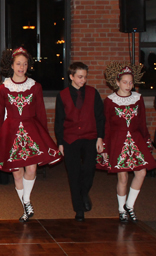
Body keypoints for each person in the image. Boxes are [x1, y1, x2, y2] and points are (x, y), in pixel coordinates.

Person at [0, 47, 61, 222]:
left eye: (24, 64)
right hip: (11, 131)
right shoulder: (3, 88)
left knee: (31, 168)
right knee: (17, 173)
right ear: (12, 65)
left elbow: (41, 113)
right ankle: (26, 206)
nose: (21, 67)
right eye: (18, 64)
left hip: (32, 130)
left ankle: (27, 201)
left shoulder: (35, 86)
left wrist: (45, 136)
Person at [98, 64, 156, 223]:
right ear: (117, 82)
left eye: (131, 82)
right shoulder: (110, 101)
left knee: (141, 172)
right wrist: (104, 145)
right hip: (117, 140)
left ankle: (129, 205)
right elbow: (107, 125)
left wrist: (147, 140)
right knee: (122, 177)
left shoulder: (138, 98)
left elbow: (142, 122)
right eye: (125, 82)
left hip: (136, 140)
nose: (128, 85)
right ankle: (121, 210)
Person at [54, 62, 105, 222]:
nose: (83, 80)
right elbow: (59, 120)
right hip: (70, 138)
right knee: (74, 173)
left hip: (90, 137)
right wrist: (60, 142)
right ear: (71, 77)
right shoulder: (62, 95)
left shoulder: (93, 93)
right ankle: (78, 209)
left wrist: (100, 138)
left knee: (89, 169)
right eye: (80, 77)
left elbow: (100, 117)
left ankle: (84, 192)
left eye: (85, 77)